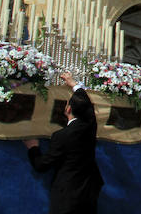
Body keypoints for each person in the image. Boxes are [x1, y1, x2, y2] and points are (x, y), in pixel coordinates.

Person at [24, 71, 104, 214]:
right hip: (88, 193)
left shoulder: (62, 136)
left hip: (67, 196)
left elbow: (42, 165)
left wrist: (33, 148)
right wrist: (73, 83)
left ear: (68, 109)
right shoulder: (90, 124)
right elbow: (87, 104)